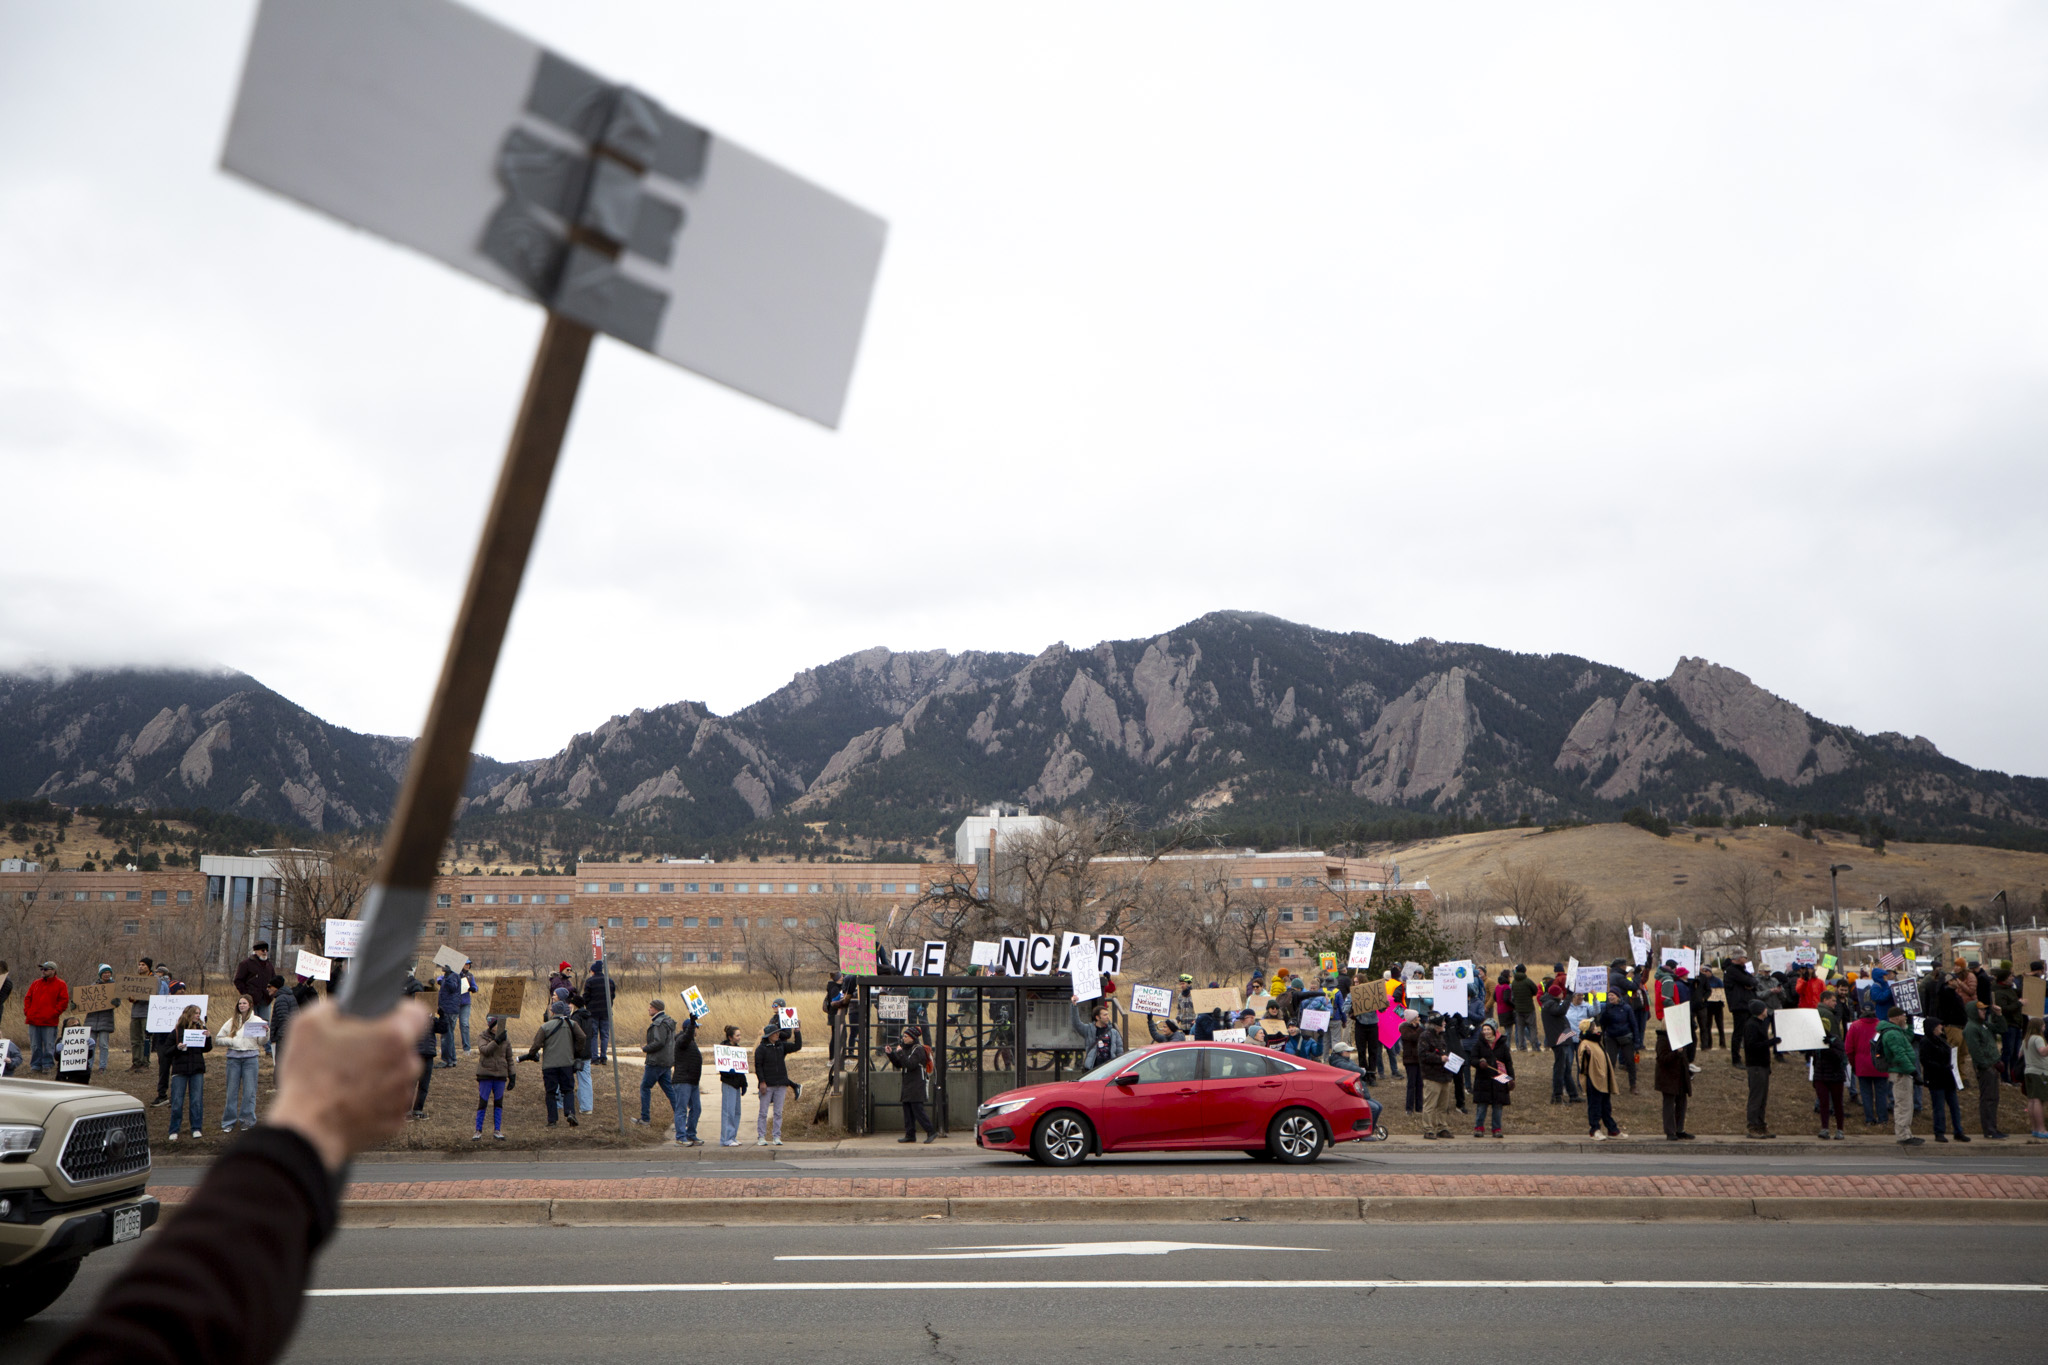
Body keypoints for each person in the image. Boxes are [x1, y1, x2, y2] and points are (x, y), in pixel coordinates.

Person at [46, 991, 430, 1365]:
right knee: (202, 1100)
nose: (244, 1004)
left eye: (247, 1001)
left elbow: (157, 1327)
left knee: (233, 1100)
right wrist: (310, 1126)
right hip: (220, 1069)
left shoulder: (256, 1020)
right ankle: (223, 1123)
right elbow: (166, 1328)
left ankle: (239, 1121)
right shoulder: (214, 1025)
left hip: (243, 1066)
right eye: (242, 1001)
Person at [520, 1000, 584, 1128]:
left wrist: (531, 1055)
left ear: (552, 1012)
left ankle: (552, 1120)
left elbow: (536, 1044)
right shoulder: (572, 1024)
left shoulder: (545, 1027)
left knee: (551, 1092)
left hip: (549, 1065)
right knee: (568, 1090)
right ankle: (570, 1112)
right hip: (566, 1063)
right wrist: (576, 1051)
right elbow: (582, 1037)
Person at [165, 1002, 212, 1142]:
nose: (198, 1016)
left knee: (196, 1101)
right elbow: (166, 1051)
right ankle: (174, 1129)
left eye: (199, 1013)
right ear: (189, 1014)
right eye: (196, 1013)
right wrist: (177, 1047)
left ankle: (196, 1128)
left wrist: (208, 1038)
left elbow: (206, 1049)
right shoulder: (177, 1031)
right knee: (177, 1102)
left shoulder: (201, 1029)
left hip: (197, 1069)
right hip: (179, 1070)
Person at [1876, 1009, 1924, 1145]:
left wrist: (1911, 1025)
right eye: (1903, 1016)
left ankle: (1907, 1133)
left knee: (1906, 1104)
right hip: (1901, 1073)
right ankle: (1903, 1136)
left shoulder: (1896, 1032)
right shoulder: (1893, 1034)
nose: (1905, 1018)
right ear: (1896, 1017)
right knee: (1903, 1104)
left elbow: (1907, 1039)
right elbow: (1899, 1054)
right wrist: (1913, 1072)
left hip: (1902, 1072)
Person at [218, 995, 264, 1134]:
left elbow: (261, 1042)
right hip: (233, 1060)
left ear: (250, 1005)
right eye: (240, 1003)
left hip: (251, 1059)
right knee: (231, 1092)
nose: (241, 1005)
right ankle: (228, 1122)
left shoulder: (257, 1021)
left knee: (249, 1092)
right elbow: (218, 1038)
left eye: (244, 1003)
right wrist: (232, 1041)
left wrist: (266, 1032)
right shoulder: (232, 1021)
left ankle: (247, 1120)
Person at [754, 1021, 803, 1145]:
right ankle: (761, 1136)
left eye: (778, 1032)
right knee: (763, 1112)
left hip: (781, 1084)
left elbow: (797, 1046)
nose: (777, 1034)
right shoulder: (761, 1049)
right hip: (768, 1084)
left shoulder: (781, 1046)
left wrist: (797, 1031)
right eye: (775, 1033)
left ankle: (776, 1136)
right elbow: (758, 1066)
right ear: (769, 1035)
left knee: (778, 1112)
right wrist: (762, 1082)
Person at [887, 1023, 938, 1144]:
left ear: (912, 1037)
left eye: (906, 1036)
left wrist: (900, 1053)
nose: (903, 1038)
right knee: (907, 1109)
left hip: (916, 1084)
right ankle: (910, 1134)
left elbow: (910, 1064)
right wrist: (891, 1054)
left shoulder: (918, 1050)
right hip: (908, 1083)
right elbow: (900, 1064)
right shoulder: (906, 1049)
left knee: (917, 1109)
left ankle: (930, 1131)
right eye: (903, 1036)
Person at [402, 974, 443, 1120]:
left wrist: (442, 1015)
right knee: (411, 1084)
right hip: (416, 1053)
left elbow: (443, 1028)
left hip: (428, 1053)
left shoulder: (431, 1019)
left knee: (423, 1085)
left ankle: (417, 1110)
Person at [636, 999, 681, 1131]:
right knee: (669, 1090)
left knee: (645, 1087)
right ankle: (681, 1119)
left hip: (656, 1061)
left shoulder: (658, 1023)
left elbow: (659, 1042)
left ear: (656, 1009)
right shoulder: (669, 1021)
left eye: (650, 1007)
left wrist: (646, 1048)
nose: (648, 1009)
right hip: (666, 1061)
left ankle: (645, 1119)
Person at [1963, 1002, 2006, 1139]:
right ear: (1973, 1011)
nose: (1984, 1012)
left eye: (1984, 1009)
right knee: (1988, 1099)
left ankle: (1993, 1127)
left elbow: (2002, 1029)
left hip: (1992, 1066)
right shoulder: (1971, 1028)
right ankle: (1989, 1130)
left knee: (1994, 1098)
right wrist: (1986, 1065)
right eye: (1981, 1010)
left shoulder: (1983, 1025)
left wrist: (1999, 1015)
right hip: (1986, 1068)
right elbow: (1975, 1050)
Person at [1921, 1014, 1967, 1142]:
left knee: (1955, 1107)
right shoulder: (1926, 1041)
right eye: (1939, 1025)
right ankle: (1939, 1132)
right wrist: (1942, 1067)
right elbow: (1925, 1061)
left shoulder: (1942, 1040)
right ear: (1932, 1027)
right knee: (1939, 1108)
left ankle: (1958, 1131)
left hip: (1948, 1079)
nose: (1941, 1027)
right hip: (1936, 1080)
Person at [1577, 1018, 1623, 1140]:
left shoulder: (1597, 1042)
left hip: (1603, 1080)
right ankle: (1594, 1130)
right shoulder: (1585, 1043)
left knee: (1606, 1106)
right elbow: (1582, 1062)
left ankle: (1612, 1130)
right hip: (1594, 1080)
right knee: (1595, 1106)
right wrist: (1587, 1054)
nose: (1596, 1028)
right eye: (1593, 1027)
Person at [1807, 1010, 1848, 1140]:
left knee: (1837, 1104)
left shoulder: (1836, 1040)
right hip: (1821, 1076)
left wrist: (1829, 1046)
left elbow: (1839, 1057)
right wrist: (1815, 1078)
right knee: (1823, 1103)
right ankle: (1824, 1128)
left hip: (1835, 1076)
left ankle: (1840, 1129)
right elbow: (1815, 1061)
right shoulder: (1816, 1043)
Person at [1739, 1000, 1777, 1139]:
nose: (1766, 1010)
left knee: (1763, 1098)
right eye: (1765, 1008)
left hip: (1763, 1065)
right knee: (1756, 1097)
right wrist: (1770, 1042)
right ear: (1760, 1011)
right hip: (1756, 1066)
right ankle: (1753, 1126)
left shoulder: (1760, 1023)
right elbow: (1753, 1045)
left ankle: (1761, 1125)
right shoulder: (1751, 1025)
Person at [24, 960, 69, 1073]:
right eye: (42, 969)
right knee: (35, 1045)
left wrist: (54, 1013)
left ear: (53, 970)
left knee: (49, 1045)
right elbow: (28, 998)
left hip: (49, 1021)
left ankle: (47, 1064)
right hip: (33, 1019)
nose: (43, 971)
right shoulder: (36, 983)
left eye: (45, 969)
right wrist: (28, 1012)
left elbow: (63, 1001)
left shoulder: (61, 984)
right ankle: (36, 1065)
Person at [1470, 1021, 1513, 1138]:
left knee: (1498, 1106)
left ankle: (1497, 1129)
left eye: (1488, 1029)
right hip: (1483, 1080)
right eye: (1484, 1030)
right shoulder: (1479, 1044)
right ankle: (1479, 1128)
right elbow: (1472, 1059)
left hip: (1499, 1080)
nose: (1486, 1032)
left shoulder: (1502, 1045)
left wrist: (1511, 1079)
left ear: (1494, 1030)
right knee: (1482, 1106)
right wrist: (1479, 1063)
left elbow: (1508, 1063)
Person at [474, 1013, 511, 1140]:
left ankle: (497, 1130)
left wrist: (512, 1074)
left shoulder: (505, 1038)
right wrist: (496, 1041)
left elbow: (509, 1058)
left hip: (500, 1074)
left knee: (499, 1103)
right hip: (486, 1074)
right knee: (483, 1102)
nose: (499, 1026)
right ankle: (478, 1130)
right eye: (496, 1024)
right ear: (491, 1025)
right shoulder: (482, 1036)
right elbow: (485, 1050)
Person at [1417, 1016, 1455, 1139]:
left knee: (1443, 1105)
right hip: (1432, 1076)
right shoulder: (1425, 1036)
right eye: (1442, 1022)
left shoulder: (1442, 1036)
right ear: (1436, 1025)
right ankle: (1428, 1129)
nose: (1444, 1023)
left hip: (1445, 1075)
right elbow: (1423, 1055)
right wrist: (1439, 1058)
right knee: (1430, 1105)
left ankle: (1442, 1127)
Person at [1654, 1026, 1693, 1140]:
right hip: (1668, 1077)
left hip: (1680, 1076)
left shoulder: (1679, 1038)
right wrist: (1677, 1052)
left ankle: (1679, 1129)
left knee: (1681, 1103)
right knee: (1669, 1105)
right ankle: (1670, 1131)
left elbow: (1684, 1057)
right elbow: (1663, 1058)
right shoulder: (1662, 1039)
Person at [672, 1006, 703, 1146]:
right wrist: (691, 1023)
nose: (697, 1030)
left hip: (693, 1081)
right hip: (683, 1081)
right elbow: (686, 1037)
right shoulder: (681, 1040)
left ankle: (691, 1134)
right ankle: (680, 1136)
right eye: (696, 1027)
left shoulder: (691, 1042)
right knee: (681, 1109)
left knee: (696, 1108)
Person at [1542, 989, 1580, 1103]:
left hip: (1561, 1039)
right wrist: (1568, 997)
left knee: (1566, 1069)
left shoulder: (1549, 1003)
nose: (1563, 994)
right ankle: (1557, 1095)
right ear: (1556, 994)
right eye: (1561, 993)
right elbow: (1561, 1011)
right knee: (1560, 1068)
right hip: (1559, 1040)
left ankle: (1573, 1095)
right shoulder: (1550, 1004)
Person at [1722, 952, 1758, 1067]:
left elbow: (1754, 981)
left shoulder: (1743, 970)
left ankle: (1750, 1057)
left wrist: (1750, 984)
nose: (1746, 959)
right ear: (1738, 958)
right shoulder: (1732, 970)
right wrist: (1749, 983)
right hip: (1739, 1005)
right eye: (1744, 957)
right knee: (1738, 1033)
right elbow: (1748, 981)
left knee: (1749, 1033)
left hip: (1747, 1004)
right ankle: (1736, 1059)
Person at [716, 1024, 748, 1146]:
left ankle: (732, 1136)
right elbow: (721, 1067)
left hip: (737, 1084)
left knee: (736, 1111)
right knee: (728, 1111)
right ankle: (726, 1138)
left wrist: (744, 1083)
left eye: (740, 1035)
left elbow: (741, 1069)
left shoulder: (738, 1049)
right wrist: (728, 1072)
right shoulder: (723, 1049)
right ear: (730, 1037)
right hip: (729, 1083)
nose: (739, 1037)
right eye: (737, 1035)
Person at [1072, 998, 1125, 1071]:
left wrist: (1119, 1066)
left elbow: (1119, 1050)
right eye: (1105, 1015)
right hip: (1093, 1068)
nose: (1108, 1017)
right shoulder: (1089, 1030)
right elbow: (1076, 1024)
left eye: (1108, 1014)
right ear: (1097, 1017)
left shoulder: (1114, 1032)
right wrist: (1074, 1006)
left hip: (1109, 1069)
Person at [568, 990, 597, 1113]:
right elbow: (593, 1033)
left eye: (571, 1004)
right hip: (587, 1052)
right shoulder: (589, 1016)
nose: (569, 1005)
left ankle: (581, 1106)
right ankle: (587, 1106)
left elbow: (574, 1035)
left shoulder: (575, 1017)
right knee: (585, 1079)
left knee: (571, 1079)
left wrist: (575, 1051)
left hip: (577, 1053)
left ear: (575, 1005)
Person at [2021, 1020, 2048, 1140]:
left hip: (2028, 1071)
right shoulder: (2038, 1038)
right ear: (2038, 1027)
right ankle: (2041, 1129)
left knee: (2032, 1100)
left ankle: (2034, 1128)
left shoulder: (2026, 1040)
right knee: (2038, 1101)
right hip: (2039, 1072)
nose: (2044, 1028)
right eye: (2043, 1026)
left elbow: (2020, 1054)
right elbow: (2042, 1052)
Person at [583, 960, 615, 1063]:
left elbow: (586, 997)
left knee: (593, 1035)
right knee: (605, 1035)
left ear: (593, 971)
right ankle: (603, 1057)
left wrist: (587, 1005)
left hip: (593, 1012)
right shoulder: (610, 981)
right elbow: (612, 996)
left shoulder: (590, 981)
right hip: (606, 1012)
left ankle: (594, 1057)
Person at [234, 942, 273, 1025]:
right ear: (256, 951)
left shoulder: (269, 965)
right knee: (251, 1024)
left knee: (265, 1025)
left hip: (265, 1001)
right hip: (251, 1001)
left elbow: (273, 980)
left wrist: (271, 994)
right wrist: (246, 995)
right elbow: (238, 980)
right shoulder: (246, 964)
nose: (265, 952)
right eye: (263, 950)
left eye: (267, 950)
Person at [128, 957, 156, 1071]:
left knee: (146, 1040)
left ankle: (145, 1062)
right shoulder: (135, 980)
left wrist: (139, 997)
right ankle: (136, 1062)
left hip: (147, 1013)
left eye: (143, 965)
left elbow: (155, 995)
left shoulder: (154, 979)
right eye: (139, 964)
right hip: (135, 1013)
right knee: (135, 1040)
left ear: (148, 967)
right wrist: (131, 998)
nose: (141, 967)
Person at [435, 966, 463, 1067]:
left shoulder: (453, 976)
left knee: (446, 1035)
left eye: (444, 965)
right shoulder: (451, 976)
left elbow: (452, 988)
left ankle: (447, 1060)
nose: (442, 967)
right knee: (449, 1035)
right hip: (448, 1008)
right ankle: (452, 1059)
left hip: (449, 1009)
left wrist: (446, 978)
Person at [1509, 964, 1540, 1052]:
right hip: (1529, 1008)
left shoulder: (1514, 982)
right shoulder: (1527, 981)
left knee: (1520, 1029)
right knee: (1532, 1028)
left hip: (1518, 1009)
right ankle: (1535, 1046)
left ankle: (1521, 1047)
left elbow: (1512, 994)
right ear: (1525, 971)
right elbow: (1535, 990)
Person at [1696, 964, 1725, 1051]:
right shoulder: (1702, 980)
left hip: (1717, 1006)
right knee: (1708, 1026)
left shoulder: (1717, 981)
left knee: (1720, 1026)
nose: (1704, 973)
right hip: (1708, 1006)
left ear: (1710, 972)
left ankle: (1722, 1043)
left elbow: (1722, 992)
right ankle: (1709, 1044)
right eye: (1703, 971)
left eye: (1706, 971)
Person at [456, 960, 476, 1052]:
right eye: (466, 964)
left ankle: (467, 1048)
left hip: (465, 1003)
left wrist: (473, 989)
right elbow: (441, 978)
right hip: (455, 1003)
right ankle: (449, 1047)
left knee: (464, 1024)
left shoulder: (470, 976)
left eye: (469, 965)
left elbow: (475, 986)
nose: (467, 966)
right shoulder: (454, 974)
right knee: (451, 1025)